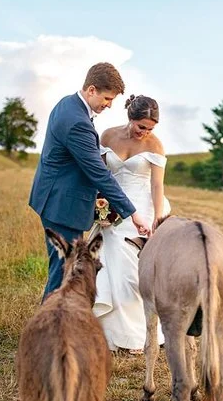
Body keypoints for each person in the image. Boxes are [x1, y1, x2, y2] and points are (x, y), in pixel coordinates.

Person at [29, 63, 151, 302]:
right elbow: (98, 172)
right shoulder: (77, 122)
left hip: (54, 196)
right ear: (92, 90)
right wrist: (133, 214)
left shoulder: (69, 103)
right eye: (107, 98)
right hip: (62, 205)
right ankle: (49, 329)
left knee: (65, 269)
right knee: (64, 273)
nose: (109, 105)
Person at [93, 94, 170, 352]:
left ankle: (138, 336)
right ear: (131, 118)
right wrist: (100, 209)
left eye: (150, 128)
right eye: (141, 127)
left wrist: (157, 219)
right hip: (112, 207)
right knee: (105, 264)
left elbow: (157, 185)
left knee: (133, 275)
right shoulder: (107, 136)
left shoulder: (155, 146)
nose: (145, 133)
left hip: (142, 209)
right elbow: (100, 175)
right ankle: (110, 335)